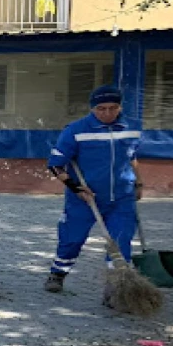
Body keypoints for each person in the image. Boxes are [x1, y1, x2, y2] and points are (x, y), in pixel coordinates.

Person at [44, 85, 143, 294]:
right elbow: (55, 165)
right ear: (92, 108)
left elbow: (131, 157)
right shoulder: (75, 130)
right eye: (101, 108)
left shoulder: (131, 128)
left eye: (113, 107)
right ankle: (58, 272)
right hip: (85, 198)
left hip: (121, 197)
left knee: (120, 240)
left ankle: (116, 288)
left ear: (120, 106)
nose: (107, 113)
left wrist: (138, 182)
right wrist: (75, 187)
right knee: (72, 239)